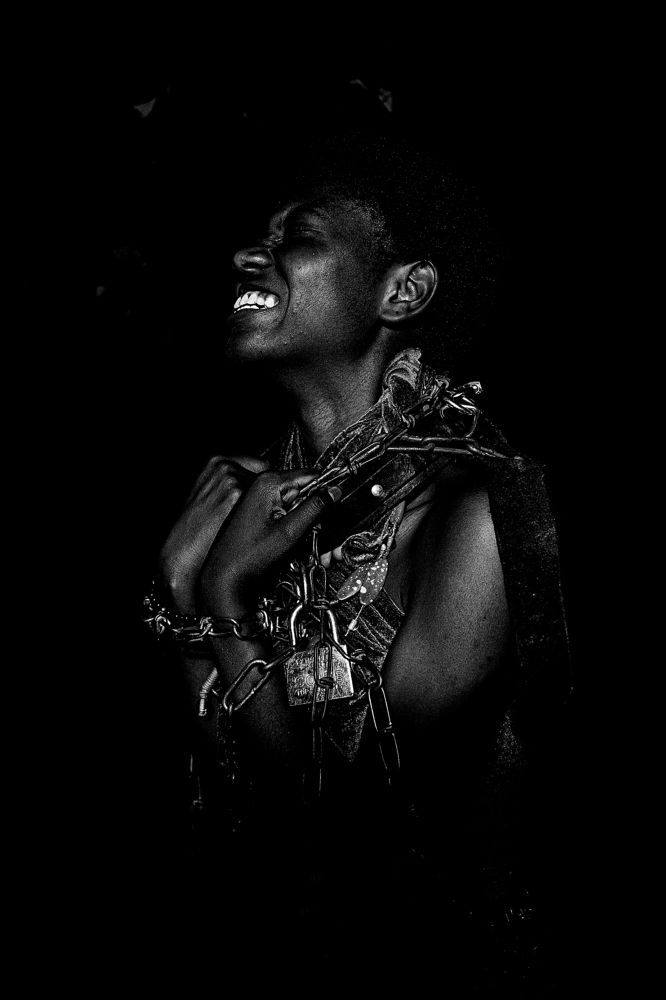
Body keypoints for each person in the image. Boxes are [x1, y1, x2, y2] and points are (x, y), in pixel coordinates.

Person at [146, 133, 571, 987]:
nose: (245, 255)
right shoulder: (245, 516)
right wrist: (180, 590)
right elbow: (223, 809)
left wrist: (219, 595)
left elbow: (354, 846)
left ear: (402, 291)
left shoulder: (477, 516)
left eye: (298, 234)